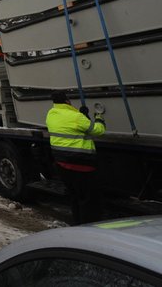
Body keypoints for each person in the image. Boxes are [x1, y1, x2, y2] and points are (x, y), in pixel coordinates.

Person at [46, 90, 106, 225]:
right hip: (81, 164)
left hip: (62, 164)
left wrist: (82, 116)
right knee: (88, 200)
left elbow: (72, 128)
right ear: (67, 101)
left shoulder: (51, 114)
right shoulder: (76, 117)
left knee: (75, 197)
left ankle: (78, 223)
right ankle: (89, 228)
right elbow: (98, 130)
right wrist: (98, 117)